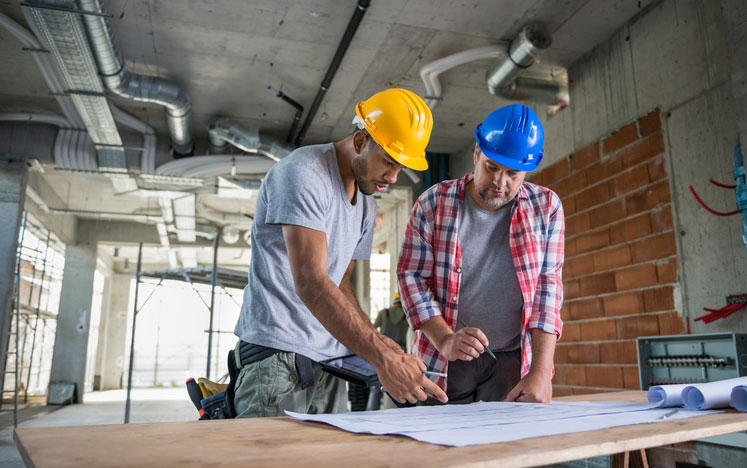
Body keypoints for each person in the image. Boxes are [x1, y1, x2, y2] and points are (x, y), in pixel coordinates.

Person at [232, 88, 448, 418]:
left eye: (400, 168)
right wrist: (382, 357)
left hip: (329, 362)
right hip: (276, 360)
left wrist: (379, 340)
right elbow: (312, 282)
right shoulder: (304, 174)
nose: (392, 177)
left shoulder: (365, 203)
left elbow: (340, 282)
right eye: (388, 162)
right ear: (361, 142)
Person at [397, 103, 564, 405]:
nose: (500, 183)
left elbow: (548, 290)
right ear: (476, 155)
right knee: (436, 447)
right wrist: (445, 339)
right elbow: (411, 277)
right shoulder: (433, 204)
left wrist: (540, 371)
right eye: (491, 167)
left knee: (504, 449)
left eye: (513, 173)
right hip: (444, 358)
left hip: (512, 361)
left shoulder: (547, 208)